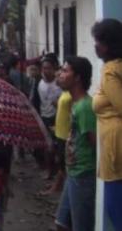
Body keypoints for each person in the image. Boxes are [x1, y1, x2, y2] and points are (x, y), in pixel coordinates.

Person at [53, 56, 96, 231]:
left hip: (83, 176)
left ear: (77, 77)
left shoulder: (85, 107)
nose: (60, 74)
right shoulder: (76, 103)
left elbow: (95, 143)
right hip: (74, 173)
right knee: (62, 223)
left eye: (65, 70)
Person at [91, 19, 122, 230]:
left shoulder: (111, 71)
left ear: (108, 44)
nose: (95, 46)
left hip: (116, 146)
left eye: (98, 42)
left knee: (115, 208)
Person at [37, 54, 62, 181]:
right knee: (47, 146)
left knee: (56, 147)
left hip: (57, 117)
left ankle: (56, 172)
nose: (46, 71)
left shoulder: (59, 84)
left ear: (54, 68)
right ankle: (49, 170)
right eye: (44, 68)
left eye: (48, 68)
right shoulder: (39, 82)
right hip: (44, 117)